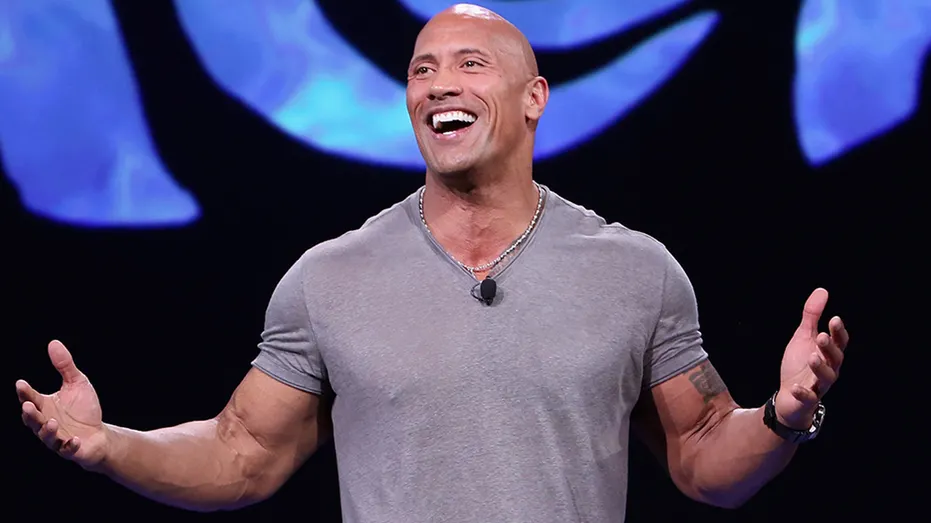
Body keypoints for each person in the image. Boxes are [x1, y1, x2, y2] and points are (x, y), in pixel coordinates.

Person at [15, 4, 850, 522]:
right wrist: (110, 444)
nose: (438, 85)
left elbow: (704, 459)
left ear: (533, 98)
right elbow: (241, 453)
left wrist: (782, 415)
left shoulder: (633, 269)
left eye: (469, 65)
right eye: (421, 70)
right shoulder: (329, 277)